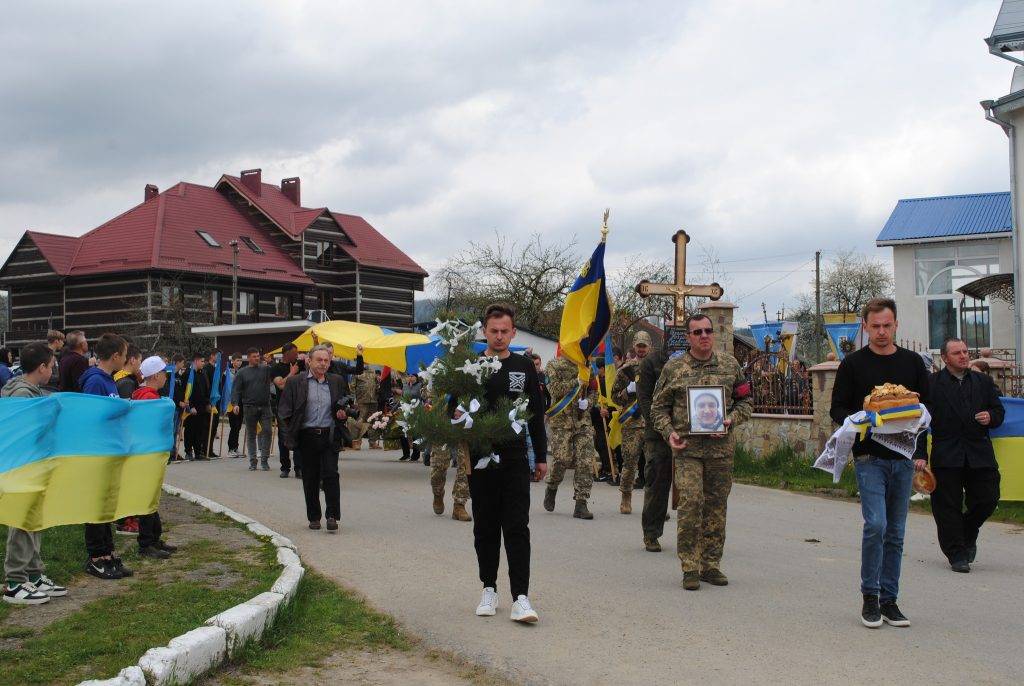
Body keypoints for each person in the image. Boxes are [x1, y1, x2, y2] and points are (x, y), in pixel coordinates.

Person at [829, 297, 929, 628]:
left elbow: (923, 414)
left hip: (902, 459)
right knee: (876, 525)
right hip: (869, 456)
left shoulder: (913, 363)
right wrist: (859, 419)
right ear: (865, 327)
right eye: (875, 326)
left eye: (887, 325)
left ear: (896, 325)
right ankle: (869, 597)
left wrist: (921, 454)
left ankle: (890, 600)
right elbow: (837, 409)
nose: (882, 332)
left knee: (897, 532)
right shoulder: (853, 364)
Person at [650, 313, 753, 591]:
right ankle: (690, 567)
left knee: (716, 507)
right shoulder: (674, 369)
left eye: (708, 330)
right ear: (689, 337)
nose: (704, 335)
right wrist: (668, 432)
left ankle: (711, 565)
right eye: (697, 332)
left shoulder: (730, 366)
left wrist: (731, 419)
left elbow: (746, 401)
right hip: (688, 450)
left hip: (721, 451)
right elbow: (658, 408)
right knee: (692, 503)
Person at [468, 303, 548, 623]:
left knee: (517, 528)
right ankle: (489, 588)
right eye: (493, 331)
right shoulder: (473, 366)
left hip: (515, 458)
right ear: (484, 332)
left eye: (505, 331)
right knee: (485, 528)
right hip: (481, 459)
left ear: (513, 332)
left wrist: (540, 456)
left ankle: (521, 598)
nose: (499, 336)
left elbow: (536, 415)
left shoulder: (524, 366)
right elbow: (457, 411)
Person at [926, 338, 1004, 573]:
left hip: (979, 451)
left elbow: (999, 411)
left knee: (988, 497)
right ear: (945, 358)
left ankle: (968, 531)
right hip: (947, 452)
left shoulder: (983, 381)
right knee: (946, 505)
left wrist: (991, 417)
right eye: (957, 353)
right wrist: (919, 456)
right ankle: (956, 553)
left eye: (965, 351)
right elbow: (920, 422)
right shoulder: (931, 384)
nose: (963, 356)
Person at [2, 341, 69, 605]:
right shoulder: (21, 395)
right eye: (52, 366)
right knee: (22, 520)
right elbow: (21, 433)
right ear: (41, 368)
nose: (53, 371)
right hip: (22, 468)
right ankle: (15, 581)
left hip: (35, 465)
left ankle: (33, 574)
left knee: (34, 520)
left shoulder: (33, 392)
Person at [79, 333, 133, 580]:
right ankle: (96, 557)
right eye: (125, 354)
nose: (126, 359)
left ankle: (108, 552)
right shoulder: (94, 381)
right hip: (96, 453)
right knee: (95, 505)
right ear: (115, 356)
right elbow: (89, 416)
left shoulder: (109, 380)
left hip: (109, 451)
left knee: (107, 505)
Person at [277, 345, 347, 532]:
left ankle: (332, 516)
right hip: (307, 436)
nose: (323, 364)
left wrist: (342, 414)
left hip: (329, 435)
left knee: (331, 474)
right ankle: (314, 517)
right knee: (310, 478)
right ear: (309, 361)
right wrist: (293, 429)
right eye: (319, 360)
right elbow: (284, 410)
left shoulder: (336, 381)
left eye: (326, 360)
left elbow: (344, 405)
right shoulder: (296, 382)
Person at [131, 355, 179, 560]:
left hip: (146, 453)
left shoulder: (141, 394)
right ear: (156, 375)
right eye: (164, 374)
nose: (166, 378)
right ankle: (146, 543)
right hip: (148, 454)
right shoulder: (149, 398)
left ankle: (154, 538)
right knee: (147, 498)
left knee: (151, 497)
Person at [543, 353, 599, 519]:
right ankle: (552, 486)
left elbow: (594, 391)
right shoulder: (553, 365)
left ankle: (581, 503)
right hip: (561, 422)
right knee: (562, 459)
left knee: (586, 461)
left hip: (583, 421)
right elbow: (554, 389)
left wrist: (588, 402)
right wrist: (578, 381)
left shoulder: (587, 366)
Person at [637, 335, 672, 552]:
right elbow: (645, 399)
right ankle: (651, 532)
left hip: (693, 433)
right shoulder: (651, 363)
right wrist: (662, 426)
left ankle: (695, 535)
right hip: (658, 434)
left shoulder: (695, 361)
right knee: (657, 481)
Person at [611, 331, 652, 514]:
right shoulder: (625, 370)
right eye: (639, 345)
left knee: (654, 465)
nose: (642, 349)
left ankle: (654, 503)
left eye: (644, 345)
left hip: (653, 423)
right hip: (632, 424)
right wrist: (628, 390)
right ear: (634, 347)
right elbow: (615, 397)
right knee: (629, 463)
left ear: (649, 346)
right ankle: (625, 497)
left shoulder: (658, 367)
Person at [231, 347, 275, 471]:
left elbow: (276, 372)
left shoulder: (266, 369)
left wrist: (271, 362)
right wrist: (235, 404)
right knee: (251, 434)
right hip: (249, 407)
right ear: (249, 358)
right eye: (254, 356)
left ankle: (264, 460)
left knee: (267, 431)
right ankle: (253, 461)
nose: (257, 358)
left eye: (258, 356)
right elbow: (236, 390)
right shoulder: (242, 373)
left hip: (265, 406)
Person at [272, 343, 303, 477]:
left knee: (298, 437)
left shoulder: (300, 366)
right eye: (295, 353)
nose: (296, 355)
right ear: (287, 353)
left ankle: (299, 468)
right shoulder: (276, 368)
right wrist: (292, 373)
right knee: (284, 438)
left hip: (298, 407)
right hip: (283, 408)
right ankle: (285, 468)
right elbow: (281, 386)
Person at [184, 353, 213, 460]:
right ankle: (188, 451)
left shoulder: (203, 373)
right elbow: (186, 392)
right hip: (192, 408)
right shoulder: (188, 374)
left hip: (202, 407)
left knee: (200, 430)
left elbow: (206, 390)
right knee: (190, 430)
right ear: (196, 361)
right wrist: (190, 406)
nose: (203, 363)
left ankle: (198, 452)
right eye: (201, 361)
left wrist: (208, 403)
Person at [353, 366, 381, 449]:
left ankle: (372, 442)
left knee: (373, 421)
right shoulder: (357, 374)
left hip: (373, 400)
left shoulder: (374, 374)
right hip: (362, 401)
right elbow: (352, 386)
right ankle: (357, 442)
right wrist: (354, 399)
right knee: (360, 421)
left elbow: (377, 385)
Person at [399, 373, 424, 461]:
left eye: (412, 376)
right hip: (405, 411)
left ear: (416, 378)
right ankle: (406, 454)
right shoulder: (405, 386)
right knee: (403, 433)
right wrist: (393, 411)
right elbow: (401, 399)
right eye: (409, 376)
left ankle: (415, 454)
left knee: (415, 434)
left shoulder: (420, 386)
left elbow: (423, 398)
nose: (410, 377)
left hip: (416, 412)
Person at [226, 353, 244, 458]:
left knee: (239, 426)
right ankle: (231, 448)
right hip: (231, 403)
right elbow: (227, 389)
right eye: (237, 360)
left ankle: (236, 448)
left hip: (241, 402)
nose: (239, 362)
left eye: (240, 360)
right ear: (232, 361)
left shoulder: (242, 373)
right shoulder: (228, 373)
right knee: (234, 426)